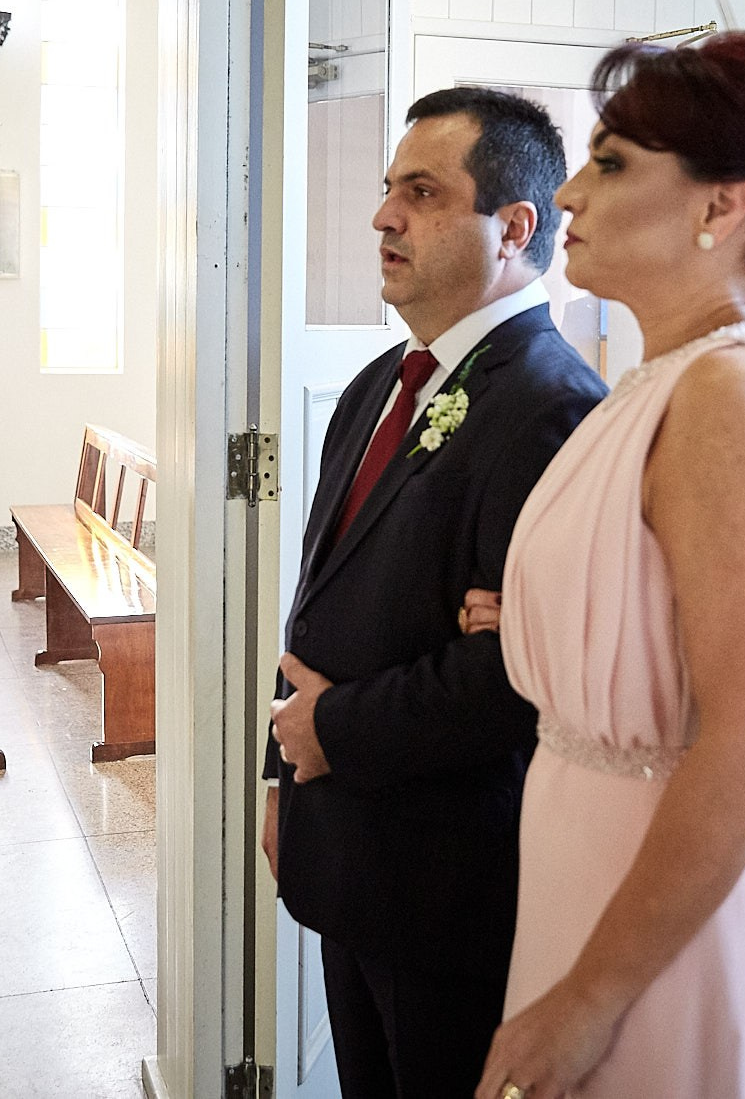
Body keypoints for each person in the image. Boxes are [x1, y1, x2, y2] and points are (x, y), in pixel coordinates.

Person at [469, 32, 745, 1098]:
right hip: (586, 873)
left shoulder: (727, 396)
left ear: (719, 206)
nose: (568, 189)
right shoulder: (658, 381)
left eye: (609, 164)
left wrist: (587, 1000)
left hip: (664, 930)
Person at [262, 88, 609, 1097]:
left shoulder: (550, 408)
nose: (382, 216)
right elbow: (317, 604)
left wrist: (334, 734)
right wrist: (287, 777)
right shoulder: (376, 385)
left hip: (448, 877)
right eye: (386, 190)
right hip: (345, 848)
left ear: (512, 228)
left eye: (420, 193)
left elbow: (516, 669)